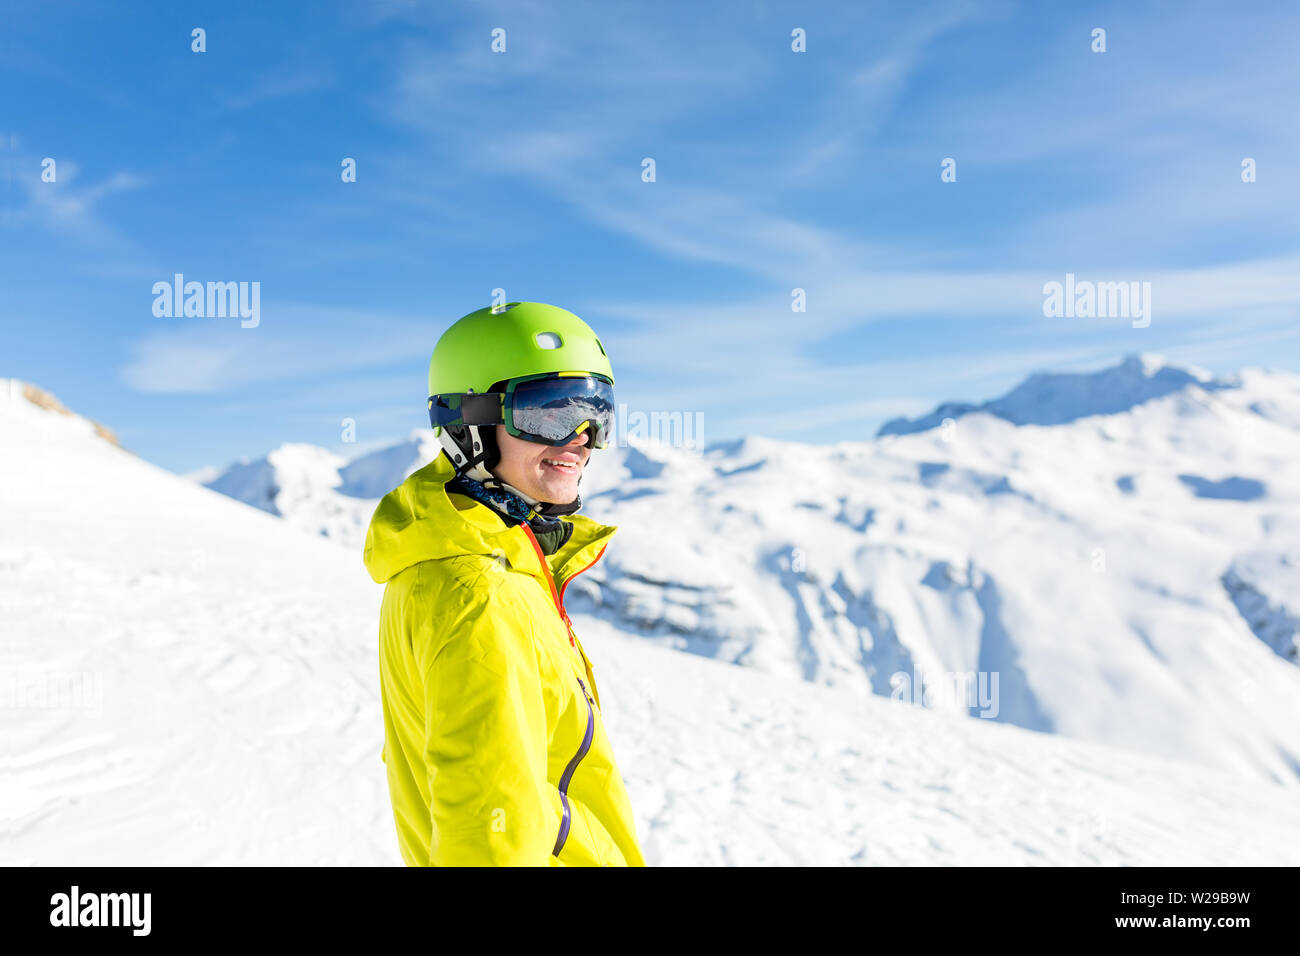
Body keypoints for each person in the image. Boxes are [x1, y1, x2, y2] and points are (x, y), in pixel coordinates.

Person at [363, 301, 646, 866]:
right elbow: (487, 830)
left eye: (597, 413)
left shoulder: (459, 550)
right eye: (549, 412)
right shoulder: (479, 592)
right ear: (468, 423)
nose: (581, 438)